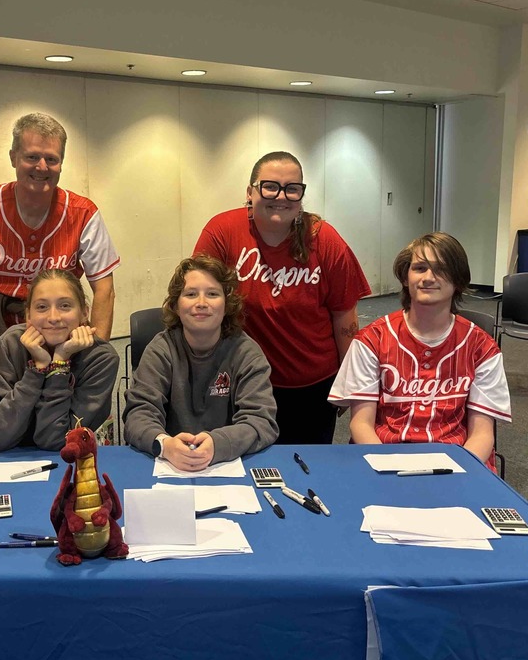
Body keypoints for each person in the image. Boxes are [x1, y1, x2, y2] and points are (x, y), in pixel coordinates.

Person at [194, 151, 370, 445]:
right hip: (242, 380)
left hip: (312, 384)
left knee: (307, 468)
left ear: (301, 195)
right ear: (250, 192)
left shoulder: (325, 240)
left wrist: (347, 381)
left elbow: (345, 318)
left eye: (292, 188)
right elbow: (198, 301)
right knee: (245, 465)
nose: (281, 196)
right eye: (270, 186)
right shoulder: (223, 231)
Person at [0, 112, 119, 401]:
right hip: (0, 322)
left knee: (67, 401)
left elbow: (104, 289)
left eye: (51, 159)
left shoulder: (84, 212)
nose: (42, 167)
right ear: (13, 157)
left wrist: (95, 352)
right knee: (7, 404)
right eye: (32, 157)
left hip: (61, 320)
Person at [328, 233, 511, 472]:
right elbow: (361, 425)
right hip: (383, 457)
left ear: (458, 280)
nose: (428, 278)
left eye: (441, 269)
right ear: (406, 277)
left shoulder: (482, 347)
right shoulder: (372, 340)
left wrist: (454, 474)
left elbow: (483, 434)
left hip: (456, 463)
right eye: (420, 268)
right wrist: (391, 470)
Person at [124, 255, 278, 472]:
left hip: (229, 466)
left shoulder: (247, 352)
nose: (202, 303)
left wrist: (217, 444)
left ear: (227, 305)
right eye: (191, 294)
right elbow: (138, 414)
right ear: (176, 305)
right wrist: (165, 445)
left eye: (213, 294)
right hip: (169, 465)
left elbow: (261, 420)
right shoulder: (160, 349)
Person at [0, 269, 119, 451]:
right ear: (28, 316)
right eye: (42, 307)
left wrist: (59, 364)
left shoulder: (101, 358)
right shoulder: (9, 344)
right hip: (9, 460)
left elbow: (55, 441)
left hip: (69, 463)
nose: (53, 318)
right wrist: (36, 371)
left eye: (65, 306)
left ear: (84, 313)